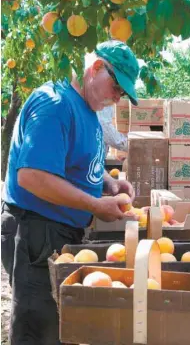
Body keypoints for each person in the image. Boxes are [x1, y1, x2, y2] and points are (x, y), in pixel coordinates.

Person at [1, 39, 140, 345]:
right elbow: (33, 176)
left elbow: (79, 160)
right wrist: (95, 204)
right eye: (117, 88)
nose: (117, 98)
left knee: (60, 328)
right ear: (96, 67)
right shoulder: (55, 103)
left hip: (58, 234)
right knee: (37, 331)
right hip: (36, 234)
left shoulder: (87, 109)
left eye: (122, 94)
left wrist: (108, 182)